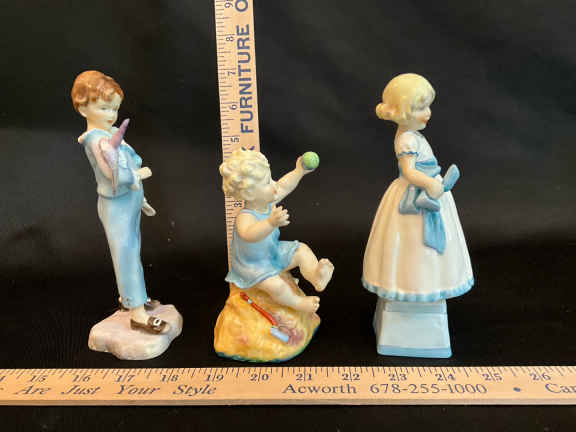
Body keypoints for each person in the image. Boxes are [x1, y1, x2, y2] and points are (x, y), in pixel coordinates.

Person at [362, 73, 474, 357]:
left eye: (428, 106)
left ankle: (424, 287)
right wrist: (431, 184)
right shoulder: (406, 139)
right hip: (415, 199)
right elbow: (410, 171)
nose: (428, 112)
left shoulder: (413, 135)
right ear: (401, 112)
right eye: (420, 107)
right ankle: (412, 287)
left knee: (424, 252)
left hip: (429, 194)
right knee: (413, 246)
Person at [71, 70, 168, 334]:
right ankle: (137, 313)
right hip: (117, 206)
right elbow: (113, 173)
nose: (111, 114)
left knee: (132, 251)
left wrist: (141, 196)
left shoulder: (110, 133)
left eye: (114, 108)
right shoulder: (97, 141)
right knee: (125, 255)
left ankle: (134, 298)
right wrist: (138, 175)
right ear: (83, 109)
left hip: (130, 200)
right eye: (104, 108)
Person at [219, 149, 334, 313]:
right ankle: (297, 303)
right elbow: (249, 234)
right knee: (276, 286)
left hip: (272, 253)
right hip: (253, 267)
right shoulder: (245, 216)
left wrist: (299, 171)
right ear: (249, 194)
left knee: (302, 250)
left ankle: (316, 277)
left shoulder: (267, 202)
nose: (274, 185)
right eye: (267, 182)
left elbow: (284, 186)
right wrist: (270, 223)